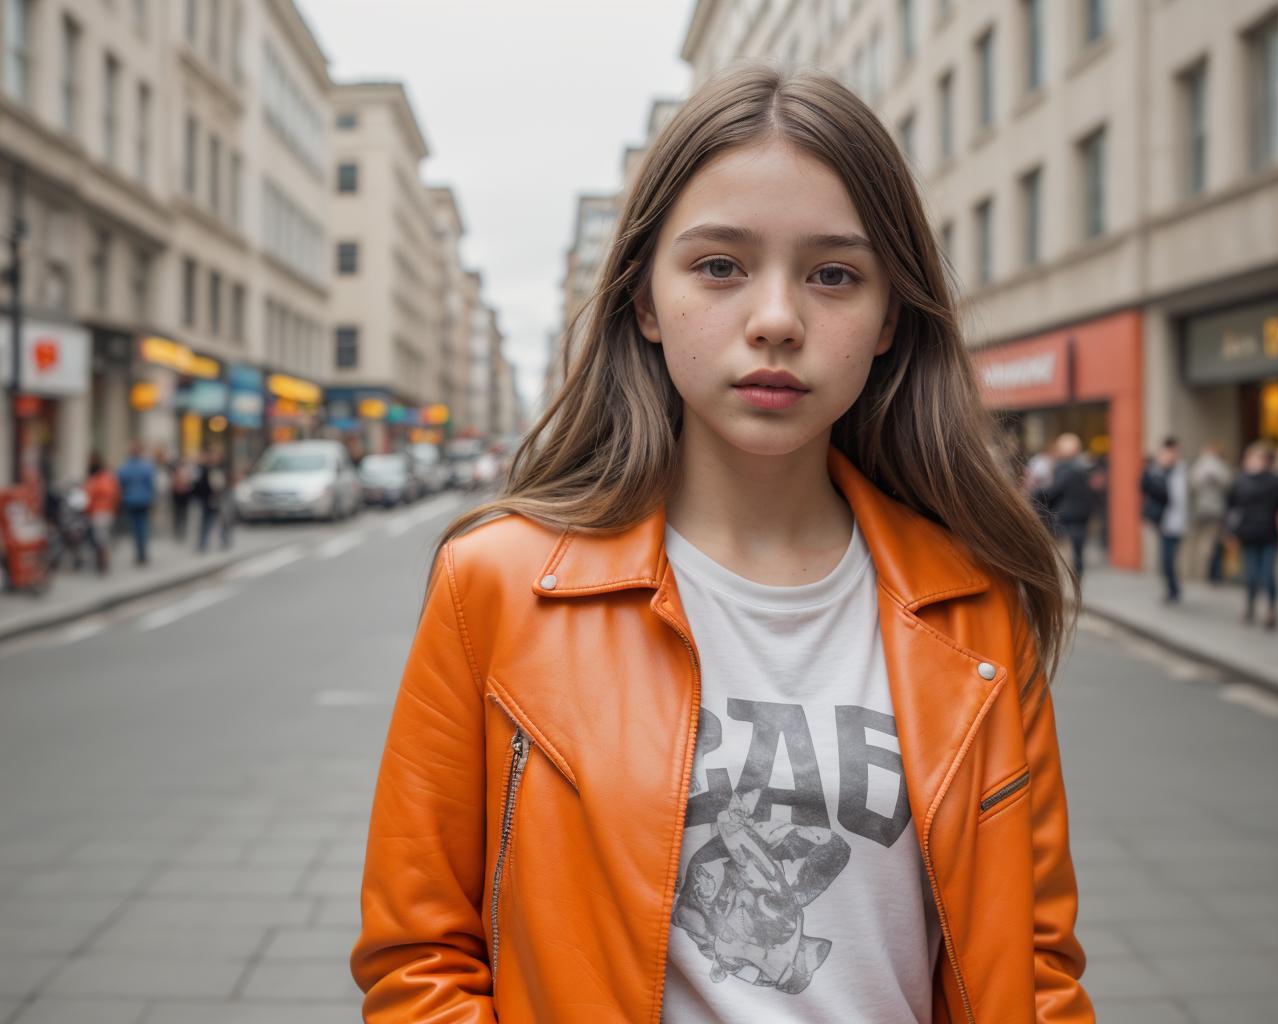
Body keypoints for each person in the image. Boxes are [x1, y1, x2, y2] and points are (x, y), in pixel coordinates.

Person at [349, 67, 1092, 1022]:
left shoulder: (977, 601)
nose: (777, 319)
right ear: (647, 305)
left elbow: (1034, 971)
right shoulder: (495, 583)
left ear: (887, 321)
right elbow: (420, 955)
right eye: (719, 267)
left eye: (834, 274)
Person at [1225, 443, 1278, 629]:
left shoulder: (1274, 482)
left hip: (1269, 535)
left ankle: (1271, 610)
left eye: (1255, 458)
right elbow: (1231, 508)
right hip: (1248, 535)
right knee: (1250, 575)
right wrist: (1231, 532)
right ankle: (1250, 606)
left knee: (1267, 575)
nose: (1250, 462)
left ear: (1264, 461)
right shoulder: (1240, 482)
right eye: (1249, 458)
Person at [1034, 432, 1094, 582]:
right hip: (1081, 517)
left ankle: (1072, 586)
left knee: (1066, 557)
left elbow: (1052, 492)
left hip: (1066, 518)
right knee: (1077, 555)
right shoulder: (1084, 467)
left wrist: (1035, 495)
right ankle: (1077, 584)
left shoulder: (1066, 470)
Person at [1140, 437, 1189, 604]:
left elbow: (1176, 498)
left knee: (1168, 559)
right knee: (1166, 560)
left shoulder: (1180, 472)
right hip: (1163, 521)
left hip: (1177, 522)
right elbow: (1145, 488)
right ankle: (1172, 589)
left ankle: (1174, 589)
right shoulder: (1157, 472)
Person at [1189, 441, 1232, 584]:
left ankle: (1197, 572)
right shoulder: (1220, 467)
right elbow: (1228, 485)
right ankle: (1211, 574)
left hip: (1200, 509)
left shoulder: (1198, 466)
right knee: (1212, 543)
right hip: (1216, 510)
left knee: (1198, 541)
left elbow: (1192, 486)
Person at [115, 441, 156, 567]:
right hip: (143, 500)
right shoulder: (146, 466)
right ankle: (142, 554)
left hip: (130, 500)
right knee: (142, 526)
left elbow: (120, 482)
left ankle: (139, 553)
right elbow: (151, 483)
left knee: (135, 527)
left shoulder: (125, 466)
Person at [82, 452, 120, 574]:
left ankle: (102, 562)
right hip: (108, 512)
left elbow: (89, 497)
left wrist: (87, 510)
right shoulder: (109, 478)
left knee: (100, 538)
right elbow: (116, 495)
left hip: (99, 512)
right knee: (103, 538)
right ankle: (103, 561)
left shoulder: (94, 481)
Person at [192, 447, 230, 553]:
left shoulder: (217, 469)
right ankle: (203, 544)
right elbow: (198, 485)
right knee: (207, 522)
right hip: (207, 499)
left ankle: (223, 540)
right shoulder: (203, 469)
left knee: (220, 521)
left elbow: (220, 485)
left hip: (215, 499)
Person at [169, 450, 196, 541]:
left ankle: (183, 530)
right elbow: (173, 481)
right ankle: (177, 529)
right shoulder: (175, 469)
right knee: (177, 512)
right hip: (177, 494)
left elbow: (191, 481)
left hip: (185, 494)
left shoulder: (188, 469)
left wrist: (186, 486)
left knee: (184, 512)